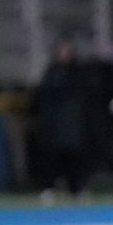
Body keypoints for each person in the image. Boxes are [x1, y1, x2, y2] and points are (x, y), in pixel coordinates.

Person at [28, 39, 94, 200]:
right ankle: (48, 187)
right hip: (55, 125)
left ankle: (77, 188)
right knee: (52, 157)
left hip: (72, 124)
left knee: (74, 157)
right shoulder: (51, 73)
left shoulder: (78, 73)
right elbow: (42, 97)